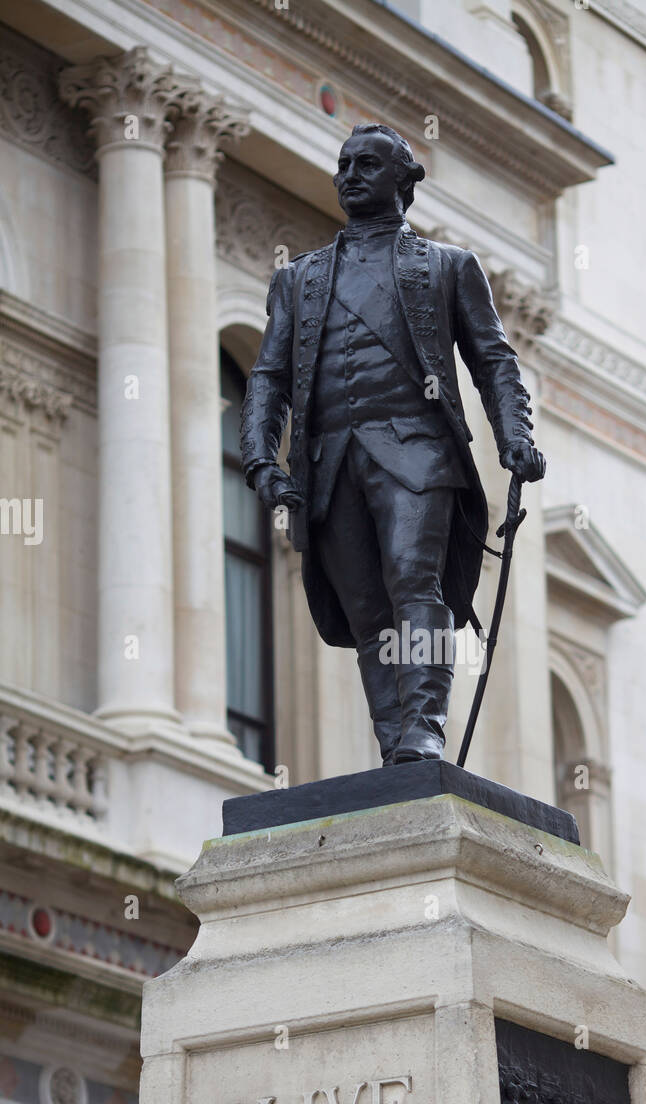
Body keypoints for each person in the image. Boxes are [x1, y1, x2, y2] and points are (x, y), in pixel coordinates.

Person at [241, 122, 545, 763]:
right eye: (344, 164)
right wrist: (260, 458)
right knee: (368, 613)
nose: (350, 175)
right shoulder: (299, 281)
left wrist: (513, 437)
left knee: (414, 583)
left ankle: (425, 727)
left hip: (418, 453)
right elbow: (268, 376)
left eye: (369, 165)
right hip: (330, 462)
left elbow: (493, 360)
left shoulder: (449, 268)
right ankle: (395, 747)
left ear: (405, 183)